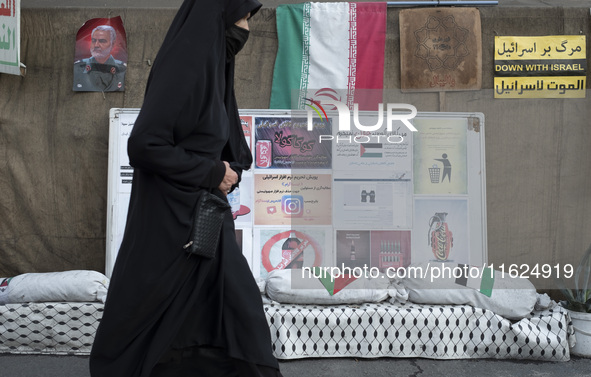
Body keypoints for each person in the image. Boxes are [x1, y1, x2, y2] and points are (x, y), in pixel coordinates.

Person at [89, 1, 283, 376]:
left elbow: (216, 138)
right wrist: (213, 172)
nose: (246, 27)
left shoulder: (212, 67)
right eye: (242, 17)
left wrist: (225, 170)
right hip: (172, 220)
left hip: (203, 213)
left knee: (231, 306)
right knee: (159, 306)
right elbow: (145, 145)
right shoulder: (188, 65)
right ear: (218, 17)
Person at [73, 25, 126, 91]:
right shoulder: (77, 68)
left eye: (102, 41)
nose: (96, 45)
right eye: (93, 40)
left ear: (113, 44)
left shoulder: (123, 69)